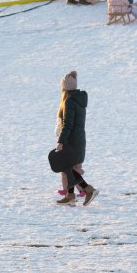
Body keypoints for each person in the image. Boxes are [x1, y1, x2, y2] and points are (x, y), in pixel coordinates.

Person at [54, 71, 99, 205]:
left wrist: (61, 141)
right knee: (69, 167)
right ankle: (71, 196)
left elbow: (68, 125)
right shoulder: (78, 99)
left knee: (68, 168)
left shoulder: (69, 101)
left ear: (65, 87)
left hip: (71, 139)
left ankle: (88, 189)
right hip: (78, 138)